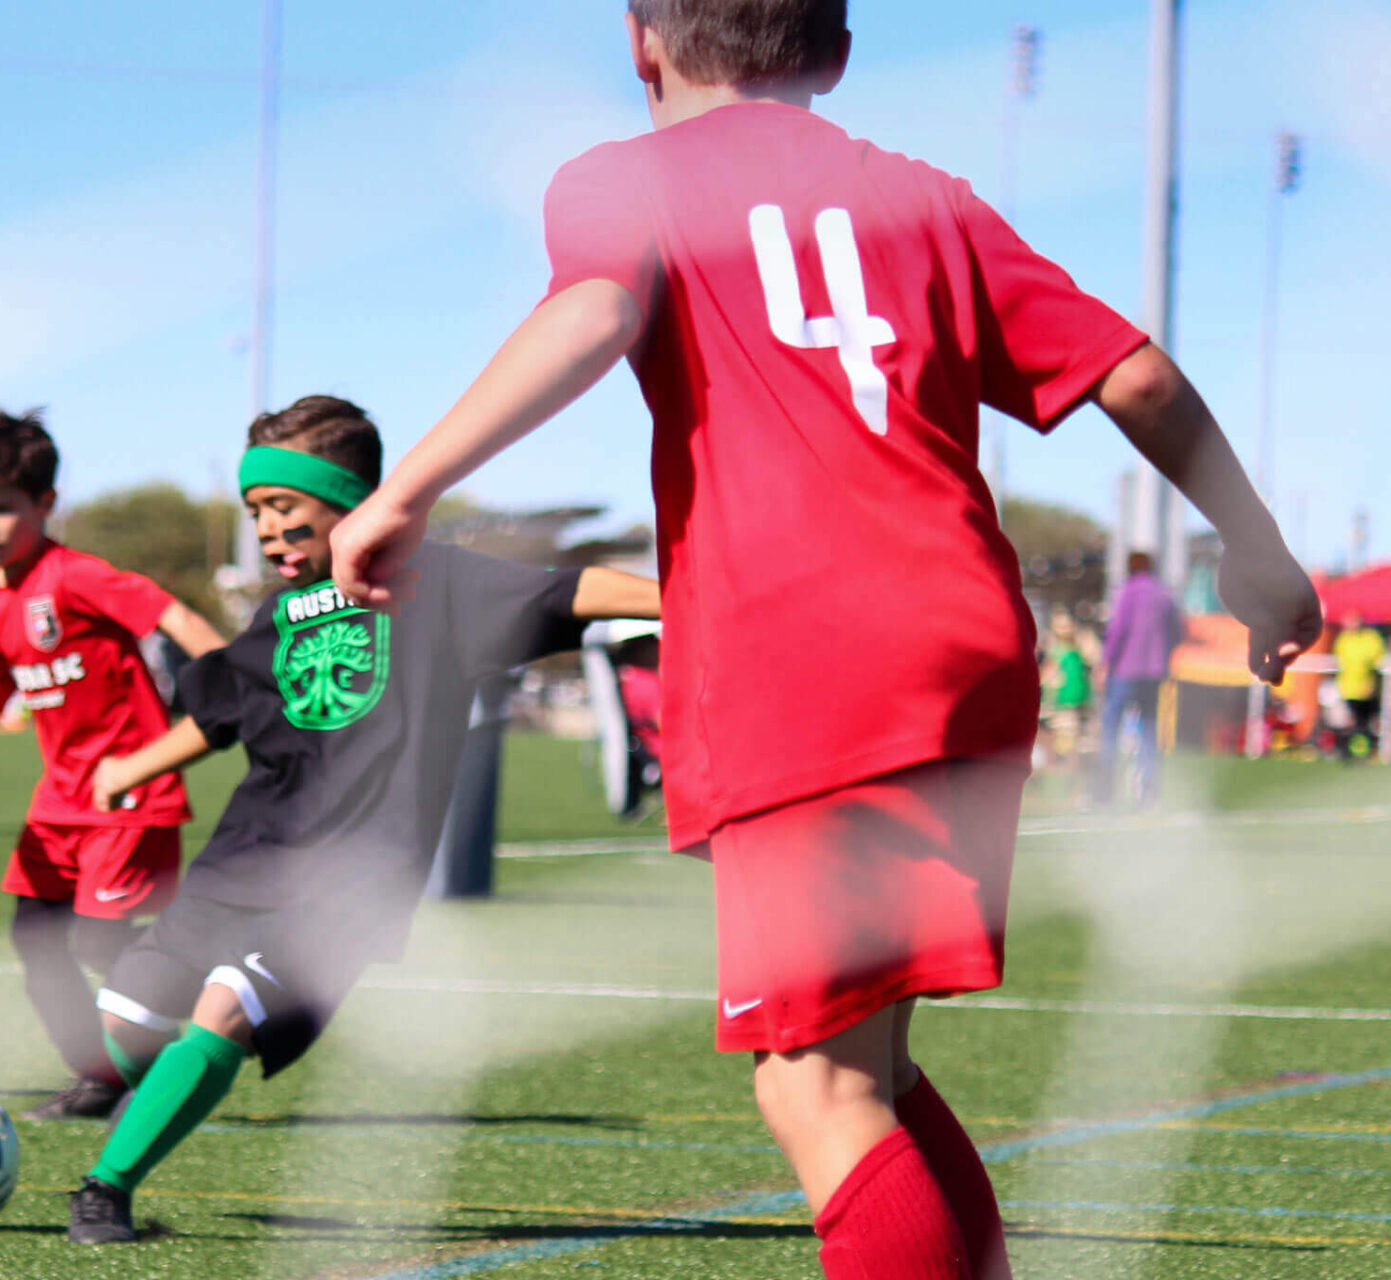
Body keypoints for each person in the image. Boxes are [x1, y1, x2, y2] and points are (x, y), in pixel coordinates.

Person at [323, 6, 1323, 1277]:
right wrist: (1256, 547)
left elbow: (589, 311)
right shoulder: (925, 199)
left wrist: (408, 487)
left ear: (640, 41)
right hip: (963, 647)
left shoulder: (622, 179)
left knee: (814, 1090)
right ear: (836, 54)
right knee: (876, 1069)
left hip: (803, 653)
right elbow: (1134, 376)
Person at [62, 396, 661, 1243]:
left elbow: (573, 591)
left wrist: (687, 598)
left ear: (348, 500)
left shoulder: (437, 583)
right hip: (245, 858)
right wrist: (130, 766)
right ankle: (123, 1089)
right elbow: (223, 712)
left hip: (349, 882)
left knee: (227, 1008)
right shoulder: (278, 614)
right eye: (255, 512)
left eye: (283, 508)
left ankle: (104, 1190)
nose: (266, 530)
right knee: (127, 1020)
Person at [0, 409, 230, 1122]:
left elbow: (171, 615)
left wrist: (230, 673)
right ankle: (100, 1076)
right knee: (34, 940)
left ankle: (205, 994)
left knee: (94, 938)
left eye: (2, 508)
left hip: (130, 789)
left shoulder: (77, 576)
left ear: (45, 504)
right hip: (59, 801)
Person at [1097, 552, 1182, 805]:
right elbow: (1177, 632)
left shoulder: (1127, 592)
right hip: (1154, 673)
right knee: (1149, 735)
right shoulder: (1164, 595)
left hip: (1124, 671)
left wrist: (1105, 663)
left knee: (1110, 731)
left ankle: (1104, 793)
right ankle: (1148, 795)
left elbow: (1117, 631)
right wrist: (1163, 655)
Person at [1040, 609, 1091, 774]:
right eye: (1060, 626)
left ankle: (1067, 771)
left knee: (1072, 738)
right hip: (1062, 702)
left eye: (1067, 625)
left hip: (1077, 701)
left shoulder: (1078, 649)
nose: (1065, 629)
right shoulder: (1056, 651)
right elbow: (1046, 674)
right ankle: (1062, 770)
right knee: (1064, 738)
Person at [1331, 610, 1386, 760]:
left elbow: (1376, 657)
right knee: (1351, 722)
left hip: (1366, 687)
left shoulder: (1371, 637)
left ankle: (1364, 750)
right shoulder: (1343, 639)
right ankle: (1349, 750)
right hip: (1348, 688)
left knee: (1365, 722)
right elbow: (1341, 659)